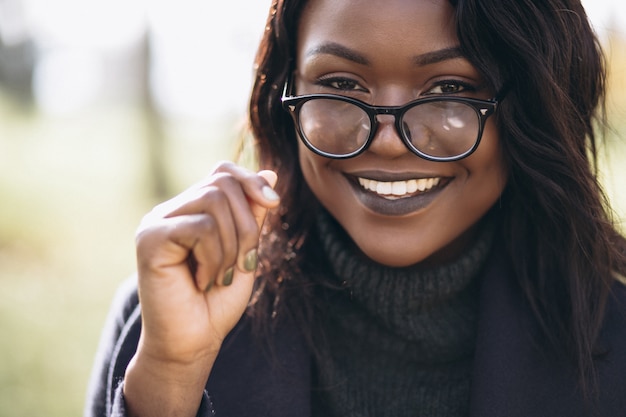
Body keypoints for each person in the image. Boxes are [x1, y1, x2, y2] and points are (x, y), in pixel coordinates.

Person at [85, 0, 626, 416]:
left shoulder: (614, 335)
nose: (388, 140)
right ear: (285, 95)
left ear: (531, 106)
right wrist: (172, 374)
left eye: (450, 87)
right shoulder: (168, 314)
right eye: (341, 84)